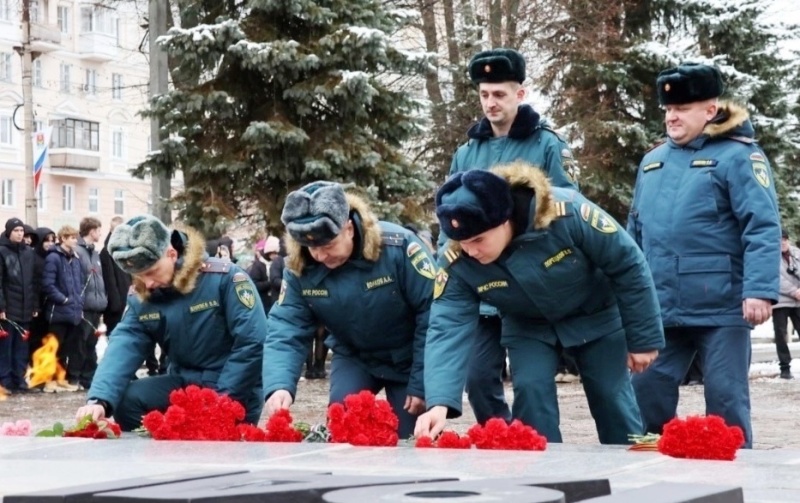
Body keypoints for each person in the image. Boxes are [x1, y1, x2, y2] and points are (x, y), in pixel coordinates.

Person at [415, 164, 664, 444]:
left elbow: (627, 264)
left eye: (478, 240)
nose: (471, 251)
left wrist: (643, 338)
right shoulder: (457, 259)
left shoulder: (566, 213)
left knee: (611, 396)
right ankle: (540, 476)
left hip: (596, 316)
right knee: (531, 396)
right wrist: (439, 402)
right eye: (463, 243)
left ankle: (626, 476)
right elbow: (447, 323)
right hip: (528, 326)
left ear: (504, 219)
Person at [628, 63, 781, 448]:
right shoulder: (652, 162)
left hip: (723, 306)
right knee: (645, 390)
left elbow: (761, 225)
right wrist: (630, 299)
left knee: (725, 400)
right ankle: (650, 470)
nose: (672, 117)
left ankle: (733, 481)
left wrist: (760, 289)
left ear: (710, 111)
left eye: (682, 108)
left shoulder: (739, 157)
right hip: (662, 306)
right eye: (667, 110)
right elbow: (635, 235)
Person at [444, 48, 581, 423]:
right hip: (482, 285)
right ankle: (503, 438)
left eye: (499, 94)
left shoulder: (548, 145)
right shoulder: (467, 153)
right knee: (476, 377)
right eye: (484, 94)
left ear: (520, 94)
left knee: (531, 384)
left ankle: (538, 443)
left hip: (532, 284)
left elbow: (568, 211)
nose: (491, 103)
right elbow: (449, 217)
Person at [263, 181, 435, 438]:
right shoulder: (300, 267)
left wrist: (422, 382)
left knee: (409, 438)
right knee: (343, 426)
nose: (320, 256)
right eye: (313, 248)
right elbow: (287, 326)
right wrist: (279, 386)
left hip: (409, 358)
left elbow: (432, 313)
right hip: (354, 356)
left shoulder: (398, 248)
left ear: (349, 229)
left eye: (328, 246)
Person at [74, 215, 266, 430]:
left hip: (232, 387)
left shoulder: (224, 278)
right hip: (183, 383)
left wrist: (222, 400)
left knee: (214, 449)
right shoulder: (144, 294)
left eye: (151, 272)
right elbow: (125, 343)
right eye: (138, 276)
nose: (147, 283)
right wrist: (99, 399)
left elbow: (252, 343)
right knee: (126, 401)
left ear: (171, 254)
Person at [41, 225, 84, 393]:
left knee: (69, 347)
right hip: (58, 311)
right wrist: (64, 299)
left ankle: (61, 378)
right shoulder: (53, 258)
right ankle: (49, 380)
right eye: (72, 237)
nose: (75, 240)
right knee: (54, 347)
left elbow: (79, 283)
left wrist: (78, 301)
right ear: (63, 238)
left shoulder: (76, 258)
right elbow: (48, 284)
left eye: (75, 237)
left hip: (73, 311)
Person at [0, 218, 38, 393]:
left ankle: (20, 379)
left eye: (22, 230)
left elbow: (34, 281)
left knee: (21, 347)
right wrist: (1, 307)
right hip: (8, 308)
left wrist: (34, 305)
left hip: (25, 307)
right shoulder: (2, 251)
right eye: (16, 230)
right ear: (9, 232)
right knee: (6, 347)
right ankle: (5, 381)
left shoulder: (28, 252)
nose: (20, 233)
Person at [74, 217, 108, 389]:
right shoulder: (77, 251)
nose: (100, 233)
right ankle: (77, 377)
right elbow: (76, 279)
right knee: (80, 343)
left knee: (91, 344)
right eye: (99, 230)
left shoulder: (95, 253)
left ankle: (89, 377)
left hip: (96, 305)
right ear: (92, 231)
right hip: (84, 306)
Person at [772, 230, 799, 380]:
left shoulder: (796, 254)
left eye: (785, 239)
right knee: (781, 335)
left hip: (798, 301)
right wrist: (794, 291)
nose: (782, 242)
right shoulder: (771, 256)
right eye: (780, 240)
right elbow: (776, 278)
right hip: (780, 301)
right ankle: (785, 367)